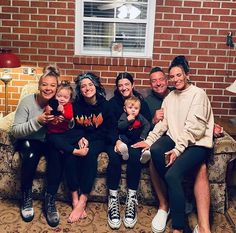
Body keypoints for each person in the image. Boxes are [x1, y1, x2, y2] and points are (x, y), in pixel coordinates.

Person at [133, 56, 214, 233]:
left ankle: (178, 227)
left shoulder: (197, 94)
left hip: (196, 144)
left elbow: (194, 129)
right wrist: (149, 140)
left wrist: (177, 150)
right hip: (177, 139)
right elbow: (163, 124)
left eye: (179, 75)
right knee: (155, 151)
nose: (175, 79)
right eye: (172, 76)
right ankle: (177, 199)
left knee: (172, 176)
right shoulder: (170, 96)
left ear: (187, 75)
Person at [63, 72, 117, 223]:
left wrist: (88, 138)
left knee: (89, 154)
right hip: (79, 139)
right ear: (80, 90)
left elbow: (110, 131)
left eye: (90, 85)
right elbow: (70, 127)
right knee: (69, 154)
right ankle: (74, 197)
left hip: (99, 139)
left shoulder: (106, 106)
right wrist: (80, 137)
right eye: (83, 86)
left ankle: (83, 199)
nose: (87, 88)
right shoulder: (75, 106)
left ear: (96, 86)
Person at [11, 65, 62, 227]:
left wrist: (64, 122)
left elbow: (68, 126)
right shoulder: (27, 101)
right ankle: (26, 197)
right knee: (30, 156)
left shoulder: (59, 102)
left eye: (52, 85)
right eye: (45, 84)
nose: (48, 88)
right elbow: (15, 131)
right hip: (29, 140)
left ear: (56, 88)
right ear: (39, 86)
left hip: (49, 141)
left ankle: (50, 200)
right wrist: (38, 121)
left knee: (57, 155)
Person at [106, 72, 151, 229]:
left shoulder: (141, 102)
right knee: (114, 156)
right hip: (117, 139)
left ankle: (132, 197)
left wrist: (145, 140)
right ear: (117, 88)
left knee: (134, 155)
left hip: (136, 141)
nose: (123, 87)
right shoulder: (112, 104)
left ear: (132, 85)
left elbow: (147, 123)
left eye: (126, 84)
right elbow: (110, 126)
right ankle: (113, 198)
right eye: (120, 85)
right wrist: (116, 140)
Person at [46, 80, 88, 156]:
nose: (62, 99)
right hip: (53, 132)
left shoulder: (68, 106)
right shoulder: (52, 103)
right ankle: (75, 151)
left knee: (81, 132)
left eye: (65, 97)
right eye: (59, 96)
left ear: (70, 99)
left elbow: (69, 117)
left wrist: (63, 112)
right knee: (52, 139)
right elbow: (46, 116)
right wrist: (49, 111)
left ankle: (61, 146)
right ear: (55, 95)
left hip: (64, 132)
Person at [117, 96, 151, 163]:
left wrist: (143, 135)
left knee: (140, 143)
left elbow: (147, 125)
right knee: (122, 138)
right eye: (130, 108)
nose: (133, 110)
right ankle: (124, 152)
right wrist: (127, 120)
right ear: (125, 109)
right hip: (126, 136)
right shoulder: (124, 116)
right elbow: (119, 126)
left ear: (139, 109)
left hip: (136, 137)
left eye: (136, 108)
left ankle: (144, 154)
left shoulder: (140, 117)